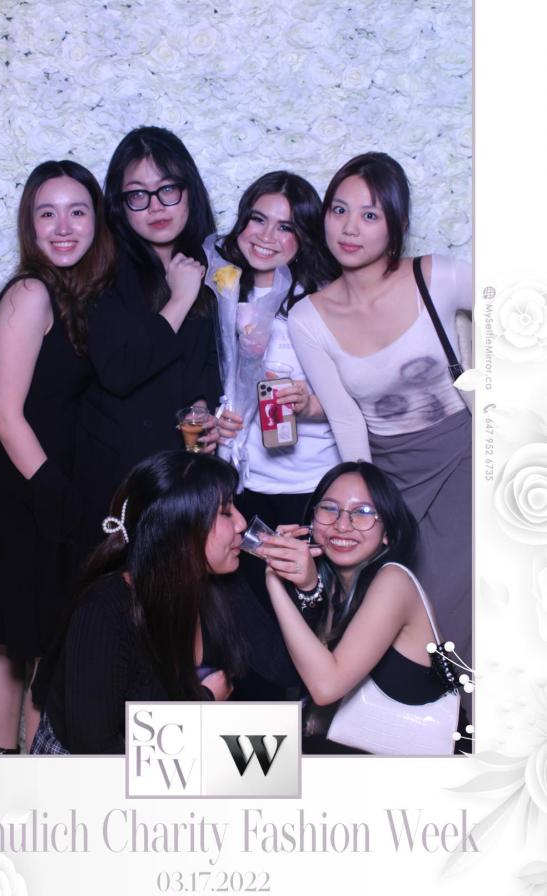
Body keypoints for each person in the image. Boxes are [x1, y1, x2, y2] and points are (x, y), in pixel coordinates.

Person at [287, 152, 472, 666]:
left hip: (463, 454)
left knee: (463, 599)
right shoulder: (308, 318)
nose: (350, 228)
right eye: (339, 210)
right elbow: (347, 418)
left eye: (370, 214)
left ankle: (477, 708)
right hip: (388, 473)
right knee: (393, 603)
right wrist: (367, 506)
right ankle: (426, 710)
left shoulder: (436, 276)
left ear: (396, 224)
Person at [0, 159, 114, 754]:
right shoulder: (30, 292)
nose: (63, 227)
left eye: (78, 212)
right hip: (16, 488)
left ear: (98, 221)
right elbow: (6, 414)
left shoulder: (78, 296)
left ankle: (31, 770)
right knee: (15, 637)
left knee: (39, 638)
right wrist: (62, 502)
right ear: (30, 224)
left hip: (44, 484)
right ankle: (1, 768)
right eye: (48, 214)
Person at [30, 451, 248, 755]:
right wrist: (202, 704)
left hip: (166, 763)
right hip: (90, 777)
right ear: (180, 529)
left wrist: (299, 585)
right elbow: (95, 752)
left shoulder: (214, 587)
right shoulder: (104, 611)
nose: (242, 523)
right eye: (225, 512)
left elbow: (281, 672)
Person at [74, 126, 222, 552]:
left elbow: (205, 363)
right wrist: (179, 299)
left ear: (189, 191)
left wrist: (202, 410)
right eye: (138, 194)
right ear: (120, 205)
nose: (155, 205)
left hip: (182, 479)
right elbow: (120, 371)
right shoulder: (102, 270)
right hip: (120, 481)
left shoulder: (208, 265)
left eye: (167, 189)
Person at [258, 461, 459, 754]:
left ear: (387, 531)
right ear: (312, 521)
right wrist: (308, 588)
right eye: (329, 508)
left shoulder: (394, 581)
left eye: (363, 512)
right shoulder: (332, 589)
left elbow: (326, 687)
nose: (342, 525)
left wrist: (273, 579)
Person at [216, 170, 340, 529]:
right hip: (240, 479)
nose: (266, 236)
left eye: (285, 227)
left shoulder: (322, 301)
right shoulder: (224, 292)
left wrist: (306, 404)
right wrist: (220, 414)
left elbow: (357, 399)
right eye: (258, 219)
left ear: (304, 237)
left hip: (309, 483)